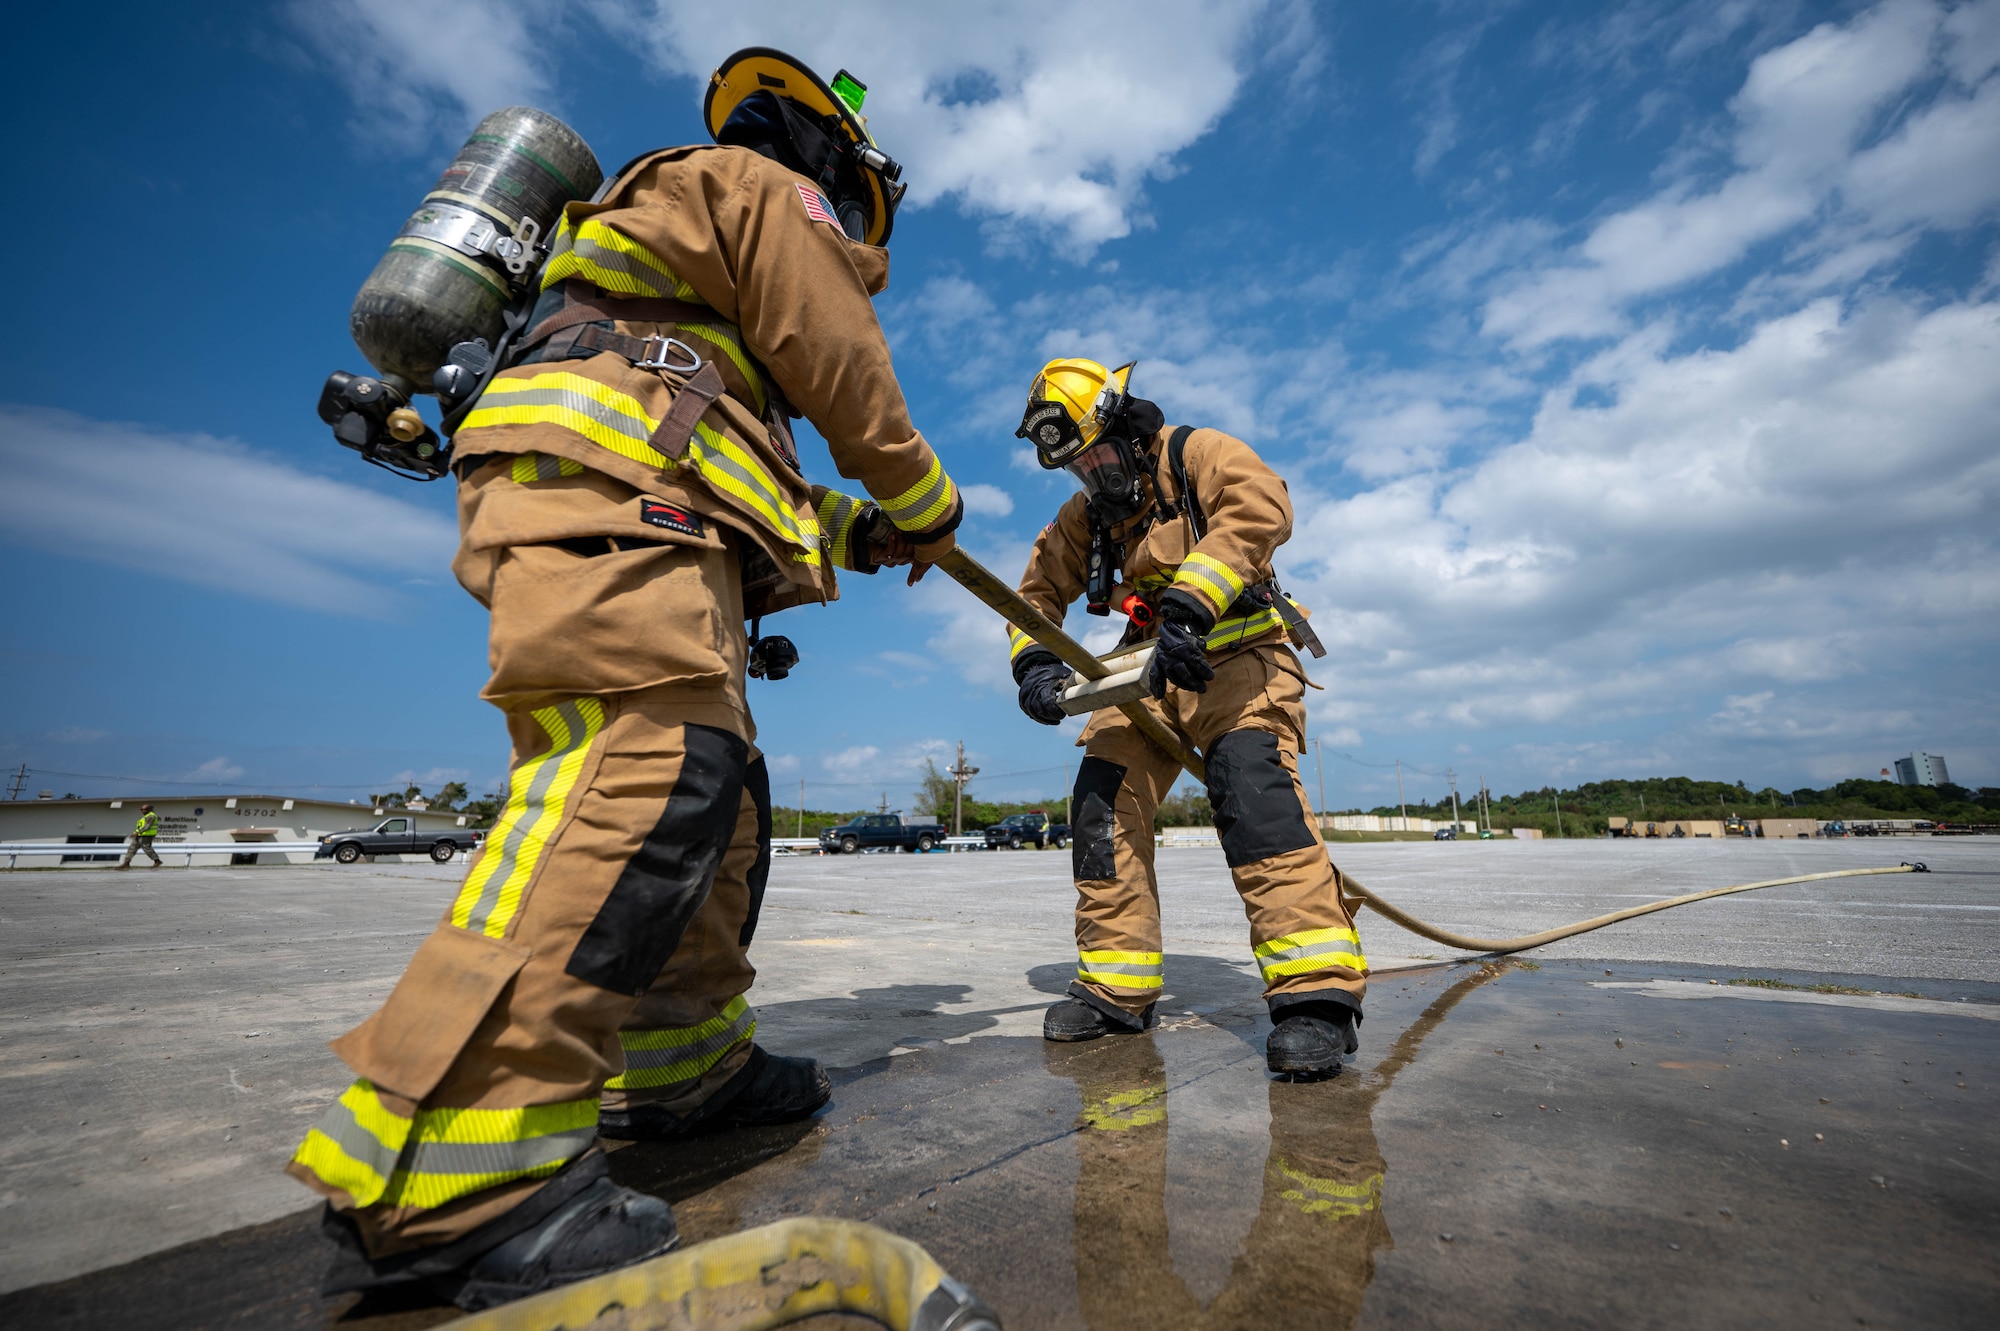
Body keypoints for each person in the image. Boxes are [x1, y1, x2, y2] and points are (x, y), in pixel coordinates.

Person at [286, 49, 962, 1311]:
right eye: (856, 206)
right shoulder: (752, 183)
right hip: (621, 508)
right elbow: (838, 350)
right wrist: (923, 499)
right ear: (830, 154)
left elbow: (720, 428)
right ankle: (457, 1170)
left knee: (715, 810)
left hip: (642, 502)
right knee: (637, 777)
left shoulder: (671, 287)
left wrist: (862, 535)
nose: (855, 234)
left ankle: (683, 1072)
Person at [1006, 358, 1366, 1078]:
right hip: (1146, 672)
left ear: (1126, 427)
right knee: (1099, 803)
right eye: (1076, 469)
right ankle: (1118, 988)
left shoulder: (1193, 453)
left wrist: (1189, 607)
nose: (1092, 477)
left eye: (1097, 455)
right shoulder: (1088, 518)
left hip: (1238, 657)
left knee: (1251, 791)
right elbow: (1037, 591)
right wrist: (1036, 666)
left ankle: (1316, 996)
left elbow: (1261, 505)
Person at [115, 803, 161, 869]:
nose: (142, 811)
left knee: (146, 848)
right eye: (141, 809)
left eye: (144, 809)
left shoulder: (151, 816)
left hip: (147, 835)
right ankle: (126, 863)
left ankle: (157, 861)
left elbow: (146, 827)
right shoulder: (144, 817)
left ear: (149, 809)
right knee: (132, 848)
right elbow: (140, 826)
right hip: (140, 835)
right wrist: (135, 832)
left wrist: (137, 833)